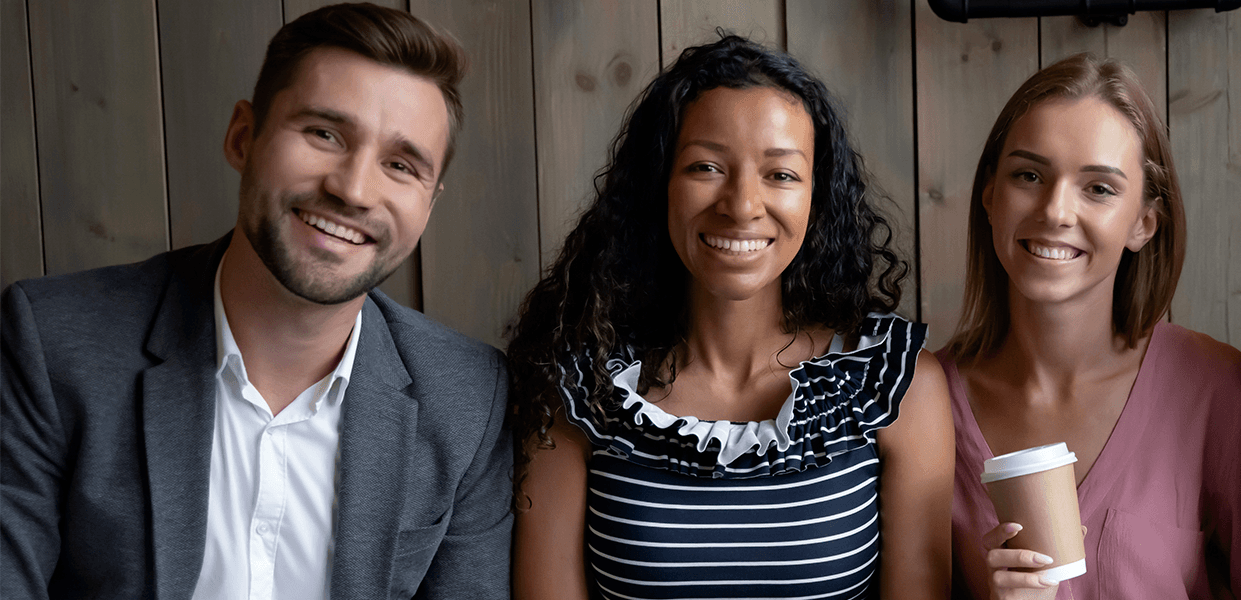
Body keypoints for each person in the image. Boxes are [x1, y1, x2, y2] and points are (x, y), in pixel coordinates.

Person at [0, 4, 511, 599]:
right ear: (244, 137)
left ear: (428, 203)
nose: (352, 189)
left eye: (400, 165)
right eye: (324, 134)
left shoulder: (469, 398)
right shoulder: (53, 342)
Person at [506, 35, 953, 600]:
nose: (741, 205)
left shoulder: (898, 384)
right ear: (658, 187)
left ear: (817, 198)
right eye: (706, 166)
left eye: (781, 174)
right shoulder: (577, 386)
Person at [942, 54, 1241, 600]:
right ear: (990, 195)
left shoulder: (1220, 394)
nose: (1054, 211)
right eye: (1029, 175)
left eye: (1098, 188)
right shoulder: (925, 405)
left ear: (1144, 222)